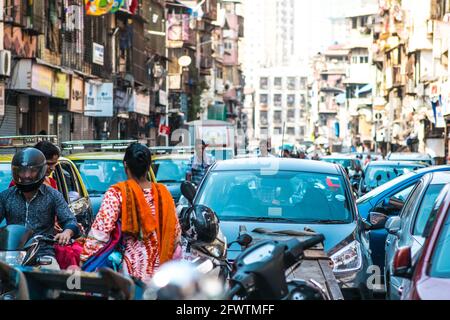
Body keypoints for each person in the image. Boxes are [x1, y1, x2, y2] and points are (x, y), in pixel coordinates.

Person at [80, 143, 181, 282]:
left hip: (131, 273)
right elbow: (175, 234)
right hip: (163, 273)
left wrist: (85, 259)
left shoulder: (117, 193)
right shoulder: (164, 193)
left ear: (125, 165)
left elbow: (100, 233)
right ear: (149, 166)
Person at [0, 148, 79, 270]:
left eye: (31, 171)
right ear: (15, 172)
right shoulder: (5, 196)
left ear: (40, 171)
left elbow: (70, 220)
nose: (26, 176)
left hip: (43, 253)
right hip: (10, 254)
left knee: (53, 280)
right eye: (22, 171)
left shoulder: (53, 195)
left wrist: (66, 232)